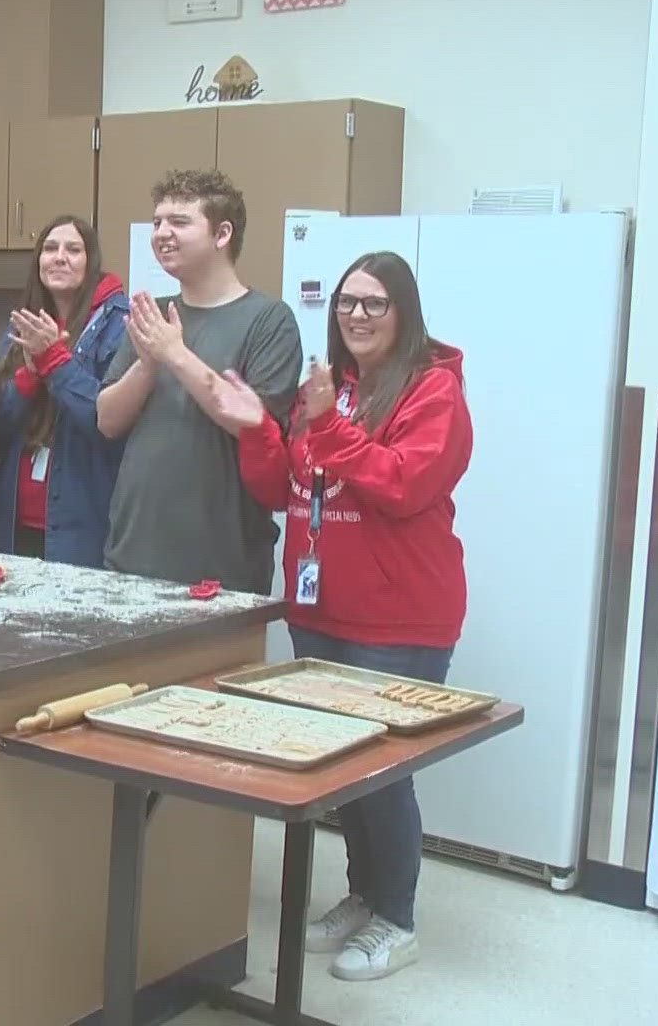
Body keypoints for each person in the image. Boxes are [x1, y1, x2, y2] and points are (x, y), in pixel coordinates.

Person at [210, 251, 473, 982]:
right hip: (320, 608)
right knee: (341, 770)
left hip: (399, 620)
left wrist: (328, 427)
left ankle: (398, 917)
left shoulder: (433, 392)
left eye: (375, 304)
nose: (356, 315)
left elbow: (401, 485)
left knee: (385, 773)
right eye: (347, 304)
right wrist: (258, 430)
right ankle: (362, 894)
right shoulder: (326, 389)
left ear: (404, 312)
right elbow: (279, 485)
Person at [96, 169, 302, 593]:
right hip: (132, 554)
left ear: (222, 233)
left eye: (179, 222)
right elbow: (107, 420)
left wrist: (174, 353)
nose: (161, 234)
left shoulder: (269, 319)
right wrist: (149, 364)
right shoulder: (154, 314)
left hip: (221, 566)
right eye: (157, 222)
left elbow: (254, 424)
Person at [0, 216, 129, 565]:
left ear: (90, 261)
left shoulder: (118, 322)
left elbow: (106, 423)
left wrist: (55, 364)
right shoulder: (23, 324)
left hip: (84, 525)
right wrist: (29, 378)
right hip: (14, 523)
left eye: (73, 249)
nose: (59, 257)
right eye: (49, 248)